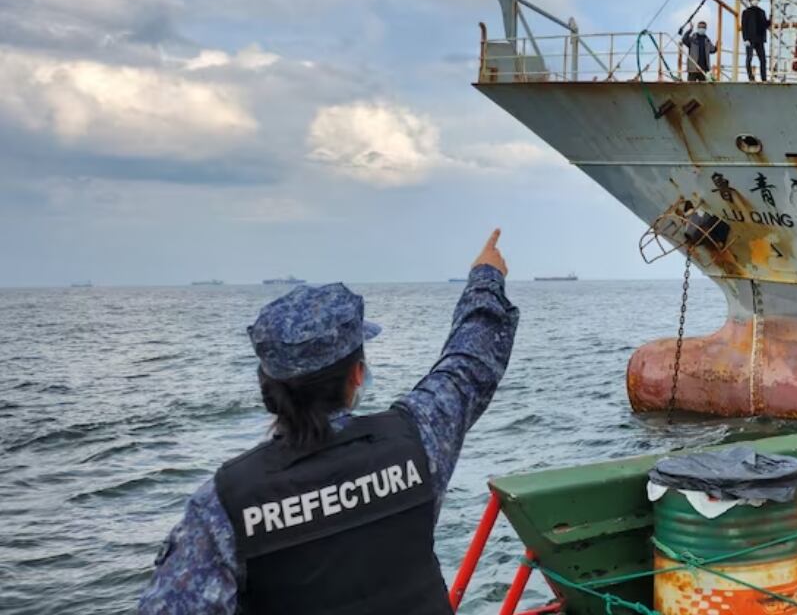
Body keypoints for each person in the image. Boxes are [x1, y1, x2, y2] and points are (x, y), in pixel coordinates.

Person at [138, 230, 519, 615]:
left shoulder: (224, 505)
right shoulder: (419, 438)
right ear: (357, 375)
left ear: (268, 386)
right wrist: (486, 276)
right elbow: (468, 362)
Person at [741, 0, 770, 81]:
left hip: (759, 39)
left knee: (763, 60)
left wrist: (770, 20)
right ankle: (750, 76)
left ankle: (763, 78)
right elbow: (744, 26)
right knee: (749, 58)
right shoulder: (746, 12)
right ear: (750, 1)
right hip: (750, 39)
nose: (755, 0)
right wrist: (745, 38)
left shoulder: (762, 12)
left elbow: (765, 24)